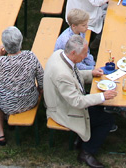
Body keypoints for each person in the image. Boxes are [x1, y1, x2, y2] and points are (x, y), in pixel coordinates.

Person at [44, 35, 117, 168]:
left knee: (99, 107)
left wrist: (91, 73)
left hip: (66, 100)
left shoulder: (60, 54)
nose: (85, 56)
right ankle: (87, 152)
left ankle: (81, 138)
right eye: (84, 53)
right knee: (107, 120)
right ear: (73, 53)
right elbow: (77, 102)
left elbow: (75, 74)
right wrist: (103, 97)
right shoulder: (62, 75)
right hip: (63, 109)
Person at [0, 26, 45, 146]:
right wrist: (39, 89)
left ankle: (0, 133)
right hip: (30, 101)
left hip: (7, 104)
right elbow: (41, 77)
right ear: (21, 42)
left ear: (5, 46)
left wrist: (0, 55)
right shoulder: (30, 56)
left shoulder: (0, 63)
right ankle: (7, 120)